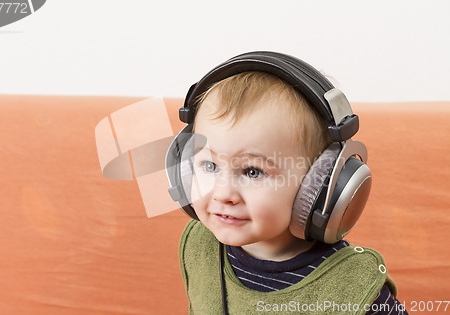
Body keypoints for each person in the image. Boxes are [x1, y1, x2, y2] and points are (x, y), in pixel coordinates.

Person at [166, 51, 407, 314]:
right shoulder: (200, 247)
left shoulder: (352, 289)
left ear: (320, 185)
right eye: (210, 165)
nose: (223, 194)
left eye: (253, 172)